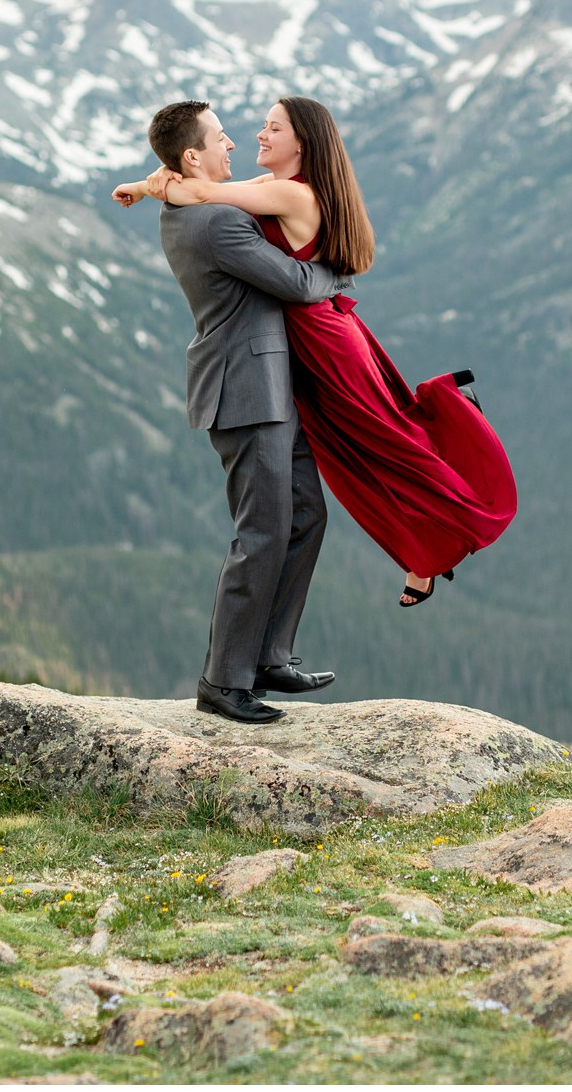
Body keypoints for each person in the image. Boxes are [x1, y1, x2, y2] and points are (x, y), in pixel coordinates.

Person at [114, 96, 517, 610]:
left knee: (384, 442)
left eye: (272, 128)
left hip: (325, 342)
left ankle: (461, 514)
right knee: (352, 452)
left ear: (301, 143)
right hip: (315, 338)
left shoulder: (289, 194)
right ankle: (423, 553)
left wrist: (154, 184)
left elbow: (201, 190)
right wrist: (149, 183)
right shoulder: (276, 187)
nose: (257, 135)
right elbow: (197, 182)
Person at [118, 100, 349, 725]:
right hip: (245, 389)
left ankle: (270, 655)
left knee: (304, 514)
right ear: (192, 156)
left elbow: (210, 188)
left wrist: (154, 182)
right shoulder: (217, 222)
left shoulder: (196, 203)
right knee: (263, 530)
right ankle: (223, 681)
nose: (232, 147)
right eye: (220, 139)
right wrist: (339, 270)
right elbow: (298, 284)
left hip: (264, 384)